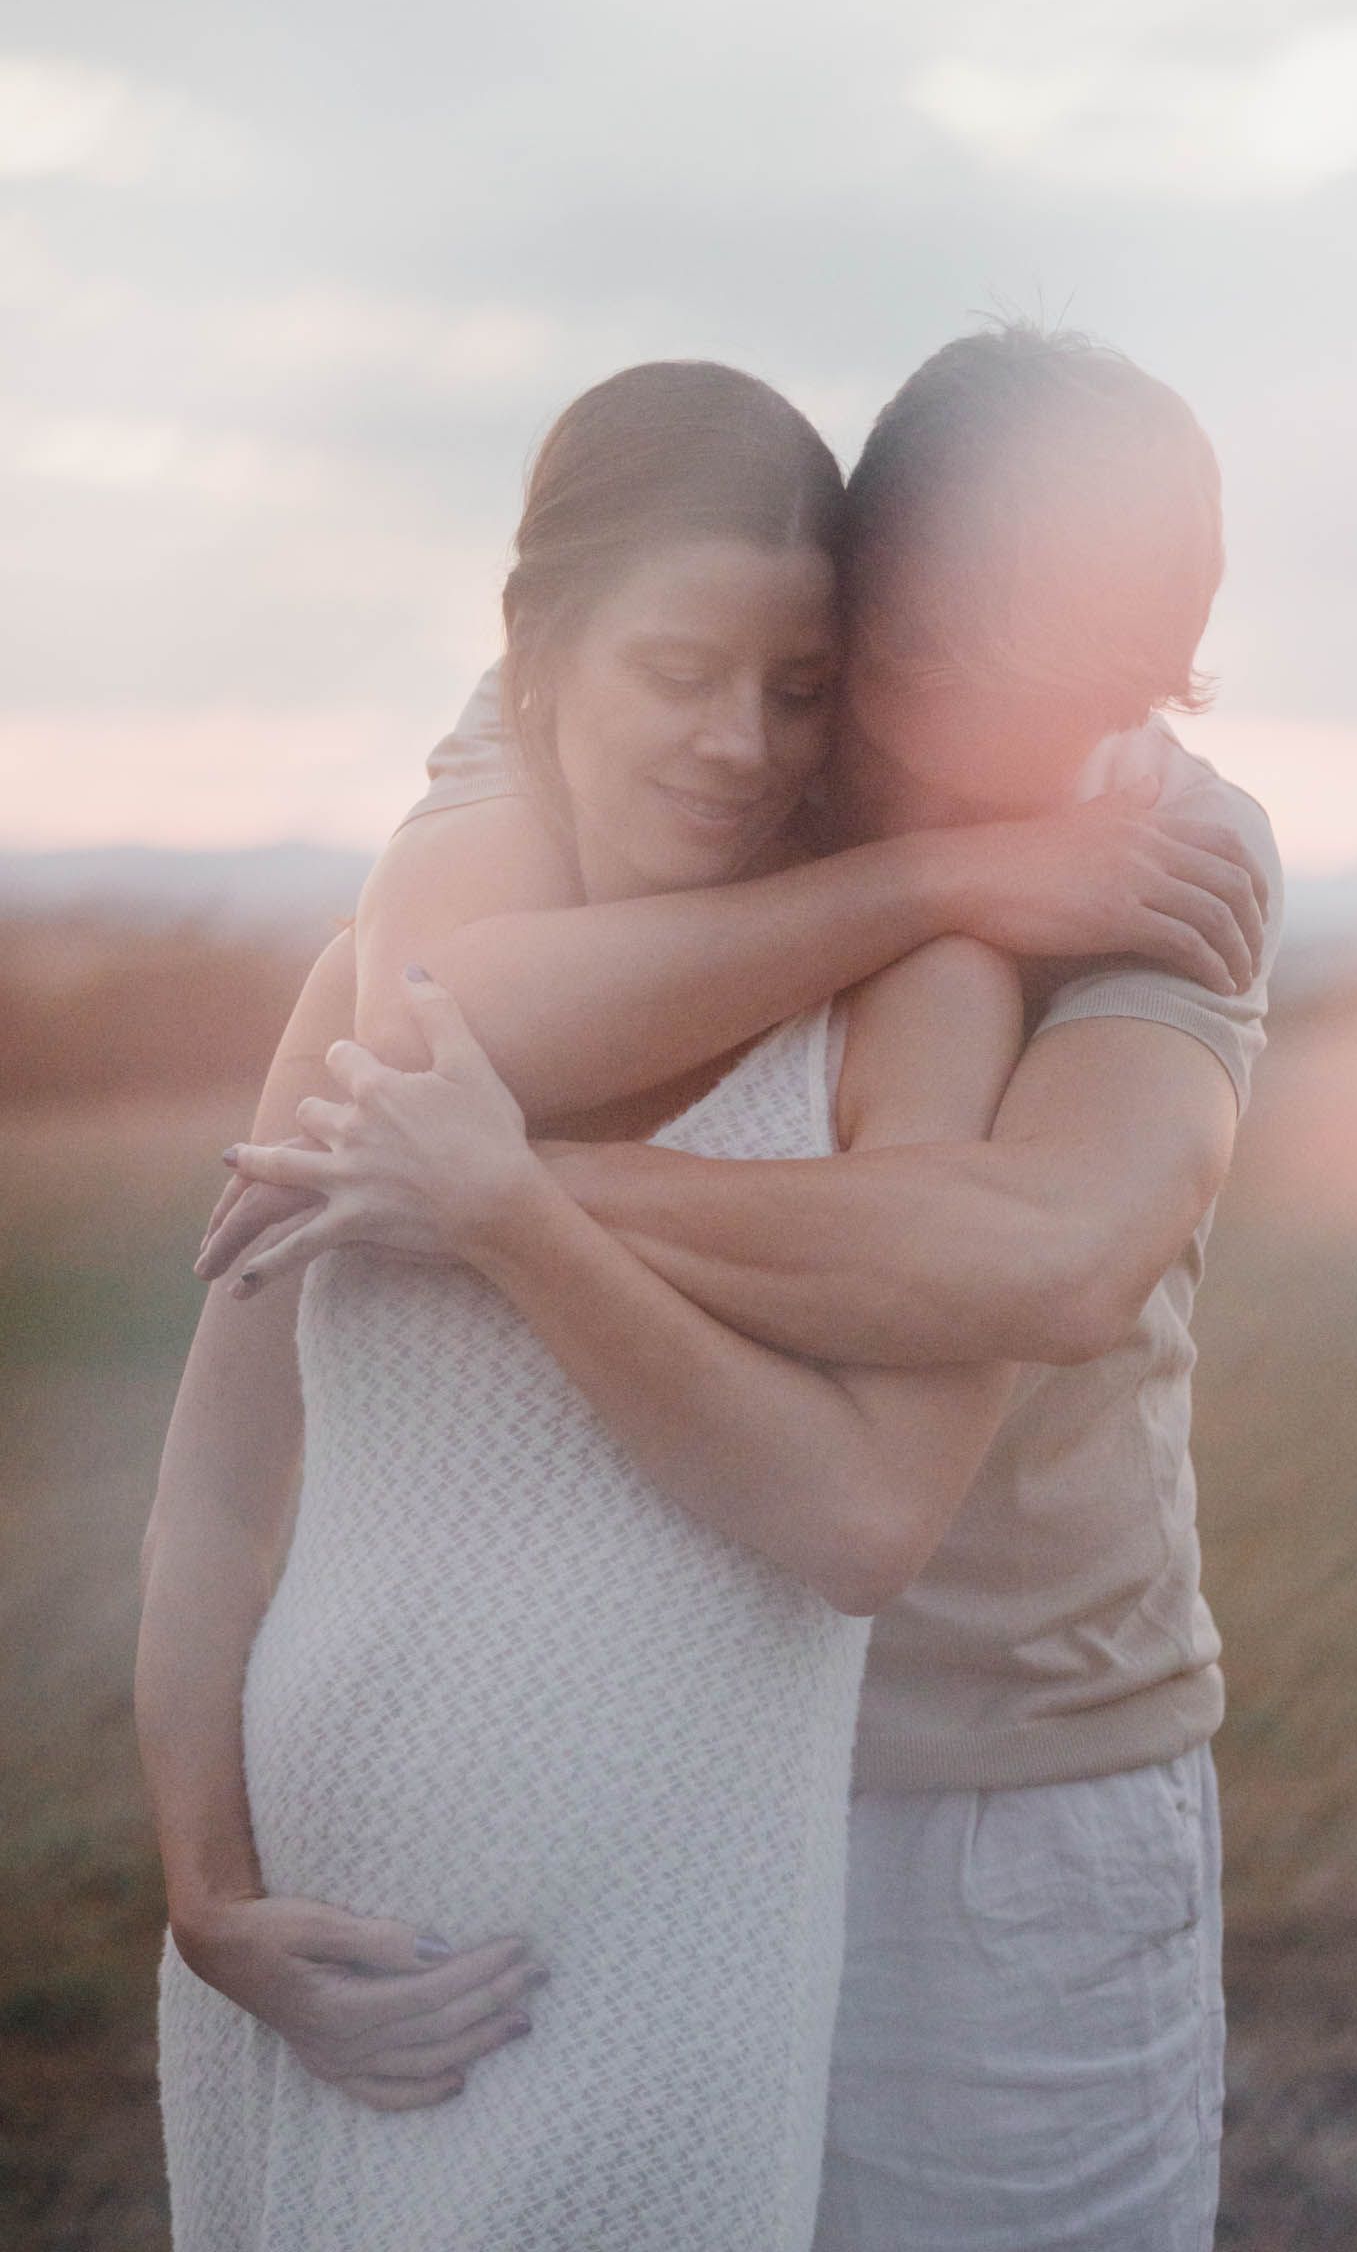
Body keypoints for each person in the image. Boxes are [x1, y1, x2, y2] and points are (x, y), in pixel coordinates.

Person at [140, 351, 1250, 2251]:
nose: (1010, 740)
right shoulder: (585, 767)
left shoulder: (1140, 856)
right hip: (520, 1848)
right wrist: (206, 1879)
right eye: (937, 664)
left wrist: (500, 1198)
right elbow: (424, 1054)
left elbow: (1040, 1270)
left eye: (1092, 692)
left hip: (992, 1785)